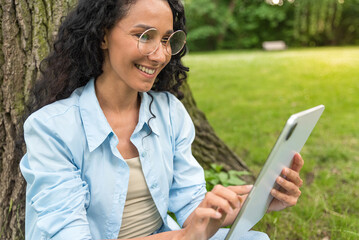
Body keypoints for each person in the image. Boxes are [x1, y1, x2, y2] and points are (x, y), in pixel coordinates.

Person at [19, 0, 304, 239]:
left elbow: (191, 203)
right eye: (145, 36)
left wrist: (257, 201)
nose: (160, 54)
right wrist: (184, 236)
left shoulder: (169, 111)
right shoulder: (51, 128)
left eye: (167, 39)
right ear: (103, 35)